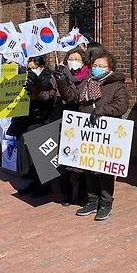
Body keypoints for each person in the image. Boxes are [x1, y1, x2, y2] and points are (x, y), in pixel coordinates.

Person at [57, 50, 129, 221]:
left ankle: (105, 203)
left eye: (100, 66)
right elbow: (72, 97)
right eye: (94, 65)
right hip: (88, 133)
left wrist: (101, 111)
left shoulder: (116, 85)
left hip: (105, 133)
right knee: (88, 167)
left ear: (109, 68)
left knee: (104, 171)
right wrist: (62, 81)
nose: (96, 68)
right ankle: (92, 200)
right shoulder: (87, 83)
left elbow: (121, 105)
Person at [8, 56, 56, 197]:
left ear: (41, 66)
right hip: (27, 119)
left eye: (34, 68)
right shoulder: (25, 79)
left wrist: (35, 88)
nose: (31, 70)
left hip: (42, 119)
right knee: (28, 154)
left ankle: (45, 185)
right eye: (29, 68)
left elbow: (47, 96)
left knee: (40, 153)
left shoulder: (48, 78)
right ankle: (33, 181)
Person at [52, 49, 90, 206]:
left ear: (84, 62)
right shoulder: (59, 75)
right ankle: (65, 194)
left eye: (77, 58)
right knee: (63, 161)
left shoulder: (89, 78)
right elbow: (50, 93)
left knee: (81, 162)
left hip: (81, 122)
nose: (73, 61)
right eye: (70, 58)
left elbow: (74, 97)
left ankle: (82, 193)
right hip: (63, 121)